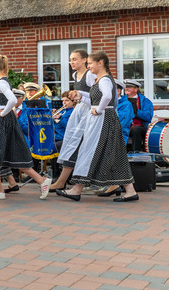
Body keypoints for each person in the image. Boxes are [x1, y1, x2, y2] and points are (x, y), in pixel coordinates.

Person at [56, 51, 139, 203]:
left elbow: (107, 96)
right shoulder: (100, 79)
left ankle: (77, 189)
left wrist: (99, 109)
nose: (88, 66)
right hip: (102, 119)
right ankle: (130, 190)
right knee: (112, 154)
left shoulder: (105, 80)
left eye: (90, 63)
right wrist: (80, 96)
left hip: (103, 119)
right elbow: (97, 98)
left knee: (89, 151)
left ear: (100, 63)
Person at [0, 54, 51, 200]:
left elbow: (11, 100)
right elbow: (1, 105)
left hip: (1, 122)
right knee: (12, 155)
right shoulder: (1, 82)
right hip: (4, 120)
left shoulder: (0, 83)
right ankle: (42, 181)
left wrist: (3, 112)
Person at [49, 50, 95, 191]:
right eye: (70, 60)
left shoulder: (90, 75)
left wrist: (79, 95)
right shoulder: (75, 75)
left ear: (84, 60)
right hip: (80, 111)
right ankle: (63, 181)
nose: (72, 62)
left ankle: (63, 181)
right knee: (73, 144)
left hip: (89, 112)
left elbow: (96, 96)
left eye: (75, 59)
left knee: (77, 145)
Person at [123, 79, 154, 152]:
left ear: (136, 89)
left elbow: (148, 117)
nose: (126, 88)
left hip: (140, 127)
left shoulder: (145, 101)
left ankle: (136, 152)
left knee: (136, 130)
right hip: (124, 125)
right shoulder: (121, 100)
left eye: (129, 87)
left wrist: (136, 112)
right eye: (125, 87)